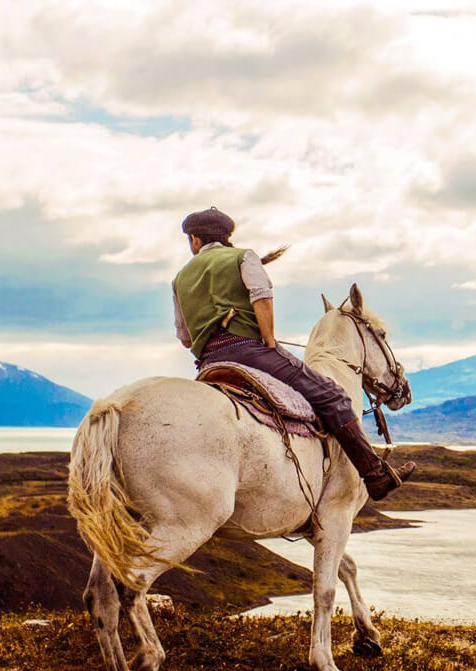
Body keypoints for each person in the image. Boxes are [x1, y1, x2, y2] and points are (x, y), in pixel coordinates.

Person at [172, 207, 415, 500]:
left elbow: (185, 338)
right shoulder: (243, 257)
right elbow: (261, 296)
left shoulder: (179, 279)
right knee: (332, 396)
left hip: (209, 361)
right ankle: (375, 476)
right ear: (225, 237)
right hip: (250, 352)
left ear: (195, 240)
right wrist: (269, 339)